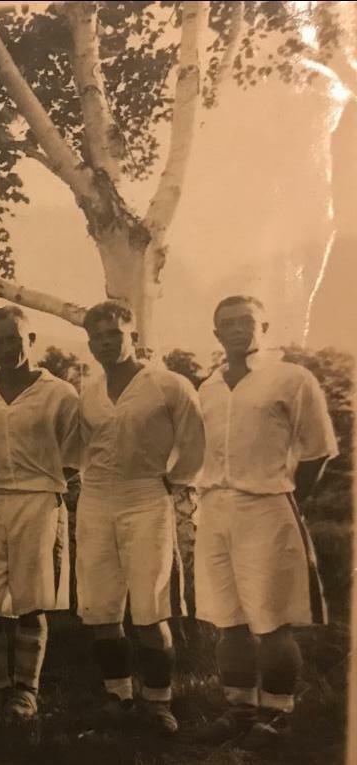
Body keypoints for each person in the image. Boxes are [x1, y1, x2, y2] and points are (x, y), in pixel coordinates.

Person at [193, 296, 337, 750]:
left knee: (272, 622)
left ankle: (277, 715)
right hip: (215, 510)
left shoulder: (292, 378)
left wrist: (288, 498)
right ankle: (239, 710)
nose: (238, 329)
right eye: (228, 324)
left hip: (267, 508)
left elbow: (317, 450)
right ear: (216, 334)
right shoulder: (208, 387)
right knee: (228, 621)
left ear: (264, 326)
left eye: (247, 321)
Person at [77, 300, 205, 735]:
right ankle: (118, 696)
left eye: (114, 334)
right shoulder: (89, 391)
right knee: (101, 608)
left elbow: (194, 443)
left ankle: (158, 701)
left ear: (132, 335)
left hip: (146, 497)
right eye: (97, 336)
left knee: (151, 609)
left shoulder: (168, 385)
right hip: (96, 499)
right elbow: (82, 447)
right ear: (90, 344)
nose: (106, 342)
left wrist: (173, 480)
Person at [0, 307, 80, 721]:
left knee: (32, 600)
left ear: (31, 339)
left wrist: (42, 481)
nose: (5, 348)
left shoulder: (60, 392)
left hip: (38, 501)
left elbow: (75, 455)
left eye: (13, 339)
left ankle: (26, 691)